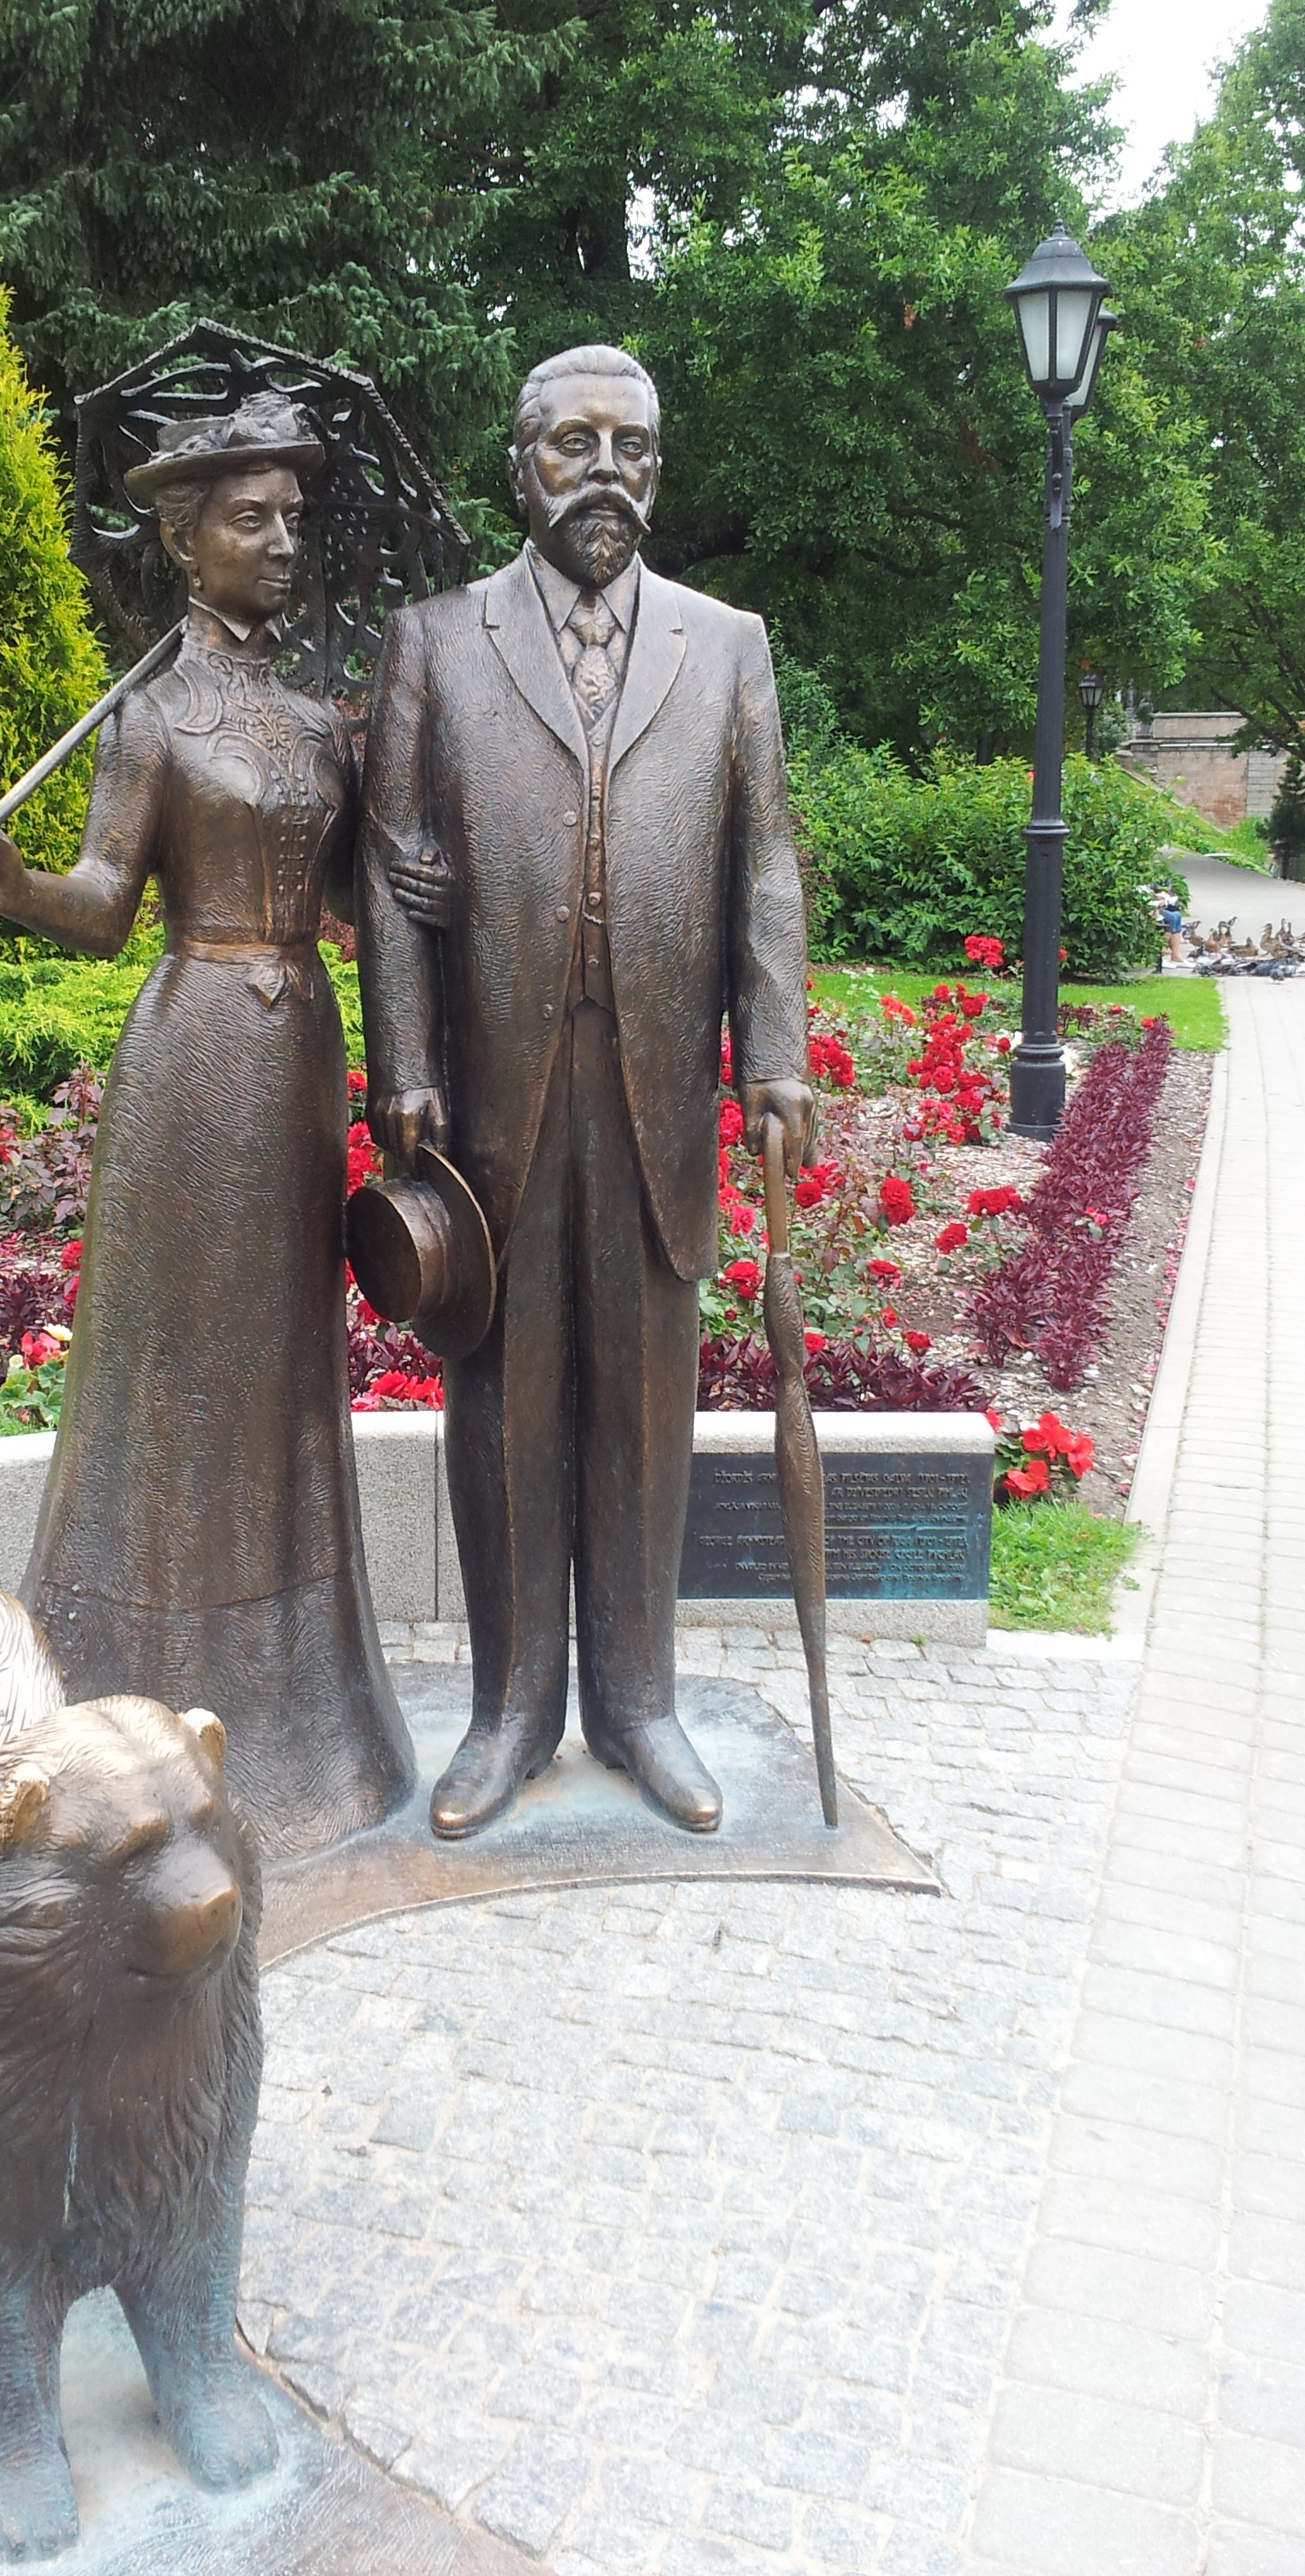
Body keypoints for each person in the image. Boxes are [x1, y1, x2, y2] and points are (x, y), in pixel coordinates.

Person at [0, 393, 413, 1859]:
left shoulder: (319, 718)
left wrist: (410, 819)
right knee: (180, 1366)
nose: (283, 542)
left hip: (300, 1046)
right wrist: (9, 877)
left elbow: (361, 896)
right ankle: (132, 1711)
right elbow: (100, 905)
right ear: (187, 544)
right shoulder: (151, 715)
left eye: (292, 518)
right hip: (194, 1049)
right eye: (251, 519)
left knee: (281, 1361)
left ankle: (303, 1718)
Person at [358, 344, 812, 1839]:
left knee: (644, 1399)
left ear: (659, 469)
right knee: (500, 1395)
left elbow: (763, 859)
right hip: (494, 1101)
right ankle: (509, 1711)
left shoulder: (725, 644)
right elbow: (393, 873)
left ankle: (639, 1700)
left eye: (631, 446)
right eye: (573, 444)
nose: (604, 471)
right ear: (520, 468)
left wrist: (777, 1053)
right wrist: (404, 1063)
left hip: (657, 1096)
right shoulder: (435, 642)